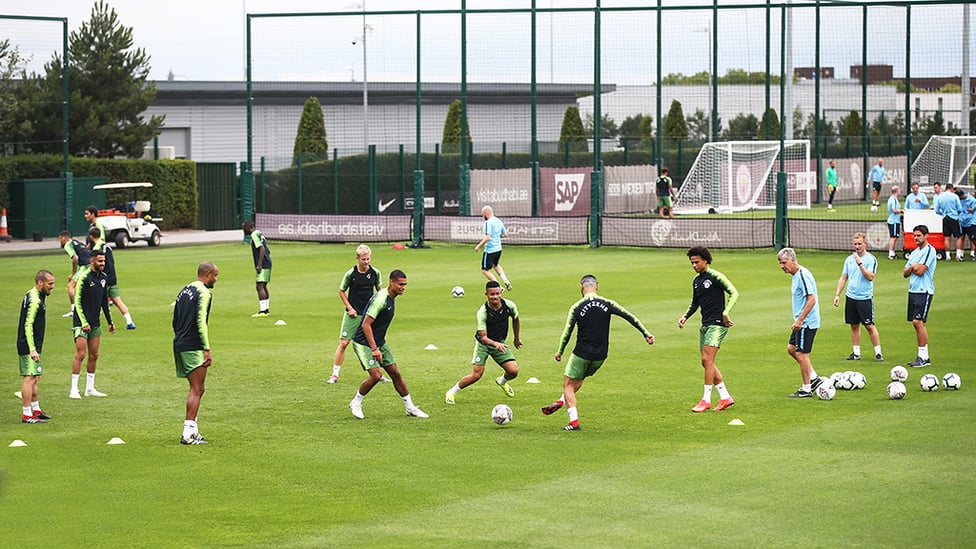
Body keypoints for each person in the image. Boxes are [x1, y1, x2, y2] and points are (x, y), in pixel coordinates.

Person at [543, 274, 655, 430]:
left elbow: (567, 331)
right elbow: (630, 317)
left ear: (582, 287)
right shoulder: (608, 303)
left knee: (568, 384)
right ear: (597, 287)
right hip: (600, 356)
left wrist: (559, 351)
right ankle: (562, 401)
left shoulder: (577, 306)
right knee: (580, 377)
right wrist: (646, 334)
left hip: (581, 353)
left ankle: (573, 422)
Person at [348, 270, 428, 419]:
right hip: (364, 342)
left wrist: (378, 346)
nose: (403, 287)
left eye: (405, 285)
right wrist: (374, 349)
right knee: (376, 375)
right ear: (391, 282)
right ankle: (356, 402)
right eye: (400, 284)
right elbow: (366, 324)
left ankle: (410, 407)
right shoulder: (381, 299)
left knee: (395, 373)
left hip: (379, 342)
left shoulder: (391, 297)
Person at [678, 246, 739, 413]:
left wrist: (726, 312)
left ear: (705, 260)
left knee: (708, 360)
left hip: (717, 324)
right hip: (705, 325)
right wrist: (685, 316)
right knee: (705, 361)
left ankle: (706, 400)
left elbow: (734, 293)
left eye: (696, 262)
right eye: (691, 263)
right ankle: (725, 397)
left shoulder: (716, 276)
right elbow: (695, 303)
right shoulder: (697, 281)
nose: (694, 265)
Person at [446, 280, 522, 404]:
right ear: (486, 295)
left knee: (513, 371)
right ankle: (451, 392)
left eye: (497, 293)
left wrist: (516, 338)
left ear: (501, 293)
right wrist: (496, 344)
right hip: (484, 344)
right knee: (476, 375)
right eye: (492, 294)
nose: (495, 297)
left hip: (500, 343)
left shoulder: (509, 305)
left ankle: (502, 381)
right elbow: (483, 337)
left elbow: (516, 319)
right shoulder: (483, 312)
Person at [172, 261, 219, 445]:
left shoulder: (185, 290)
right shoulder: (204, 293)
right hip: (193, 344)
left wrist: (179, 337)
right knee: (196, 389)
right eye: (215, 276)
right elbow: (201, 322)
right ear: (207, 274)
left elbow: (175, 319)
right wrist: (206, 348)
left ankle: (193, 431)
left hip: (180, 342)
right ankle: (188, 433)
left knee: (198, 388)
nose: (215, 280)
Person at [330, 244, 390, 384]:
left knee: (374, 344)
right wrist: (350, 308)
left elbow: (380, 292)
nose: (366, 262)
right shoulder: (351, 274)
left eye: (368, 259)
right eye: (363, 259)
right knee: (344, 343)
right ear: (357, 258)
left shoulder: (375, 273)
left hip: (369, 315)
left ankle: (378, 374)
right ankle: (334, 374)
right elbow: (341, 291)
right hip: (353, 315)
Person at [777, 248, 824, 398]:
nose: (782, 266)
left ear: (793, 260)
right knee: (791, 349)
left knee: (802, 354)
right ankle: (814, 378)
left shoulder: (802, 275)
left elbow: (812, 299)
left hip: (806, 322)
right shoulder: (796, 275)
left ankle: (806, 389)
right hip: (802, 322)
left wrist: (800, 320)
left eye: (784, 262)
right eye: (780, 263)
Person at [70, 249, 115, 399]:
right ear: (92, 261)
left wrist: (110, 322)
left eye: (104, 261)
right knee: (81, 354)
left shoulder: (103, 277)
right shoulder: (84, 277)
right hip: (81, 322)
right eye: (100, 261)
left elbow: (104, 301)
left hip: (95, 323)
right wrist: (83, 322)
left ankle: (90, 388)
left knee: (94, 355)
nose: (103, 263)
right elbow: (77, 301)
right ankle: (74, 389)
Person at [833, 233, 884, 362]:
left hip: (864, 298)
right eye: (855, 244)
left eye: (859, 244)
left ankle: (878, 352)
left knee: (869, 325)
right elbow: (844, 277)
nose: (857, 246)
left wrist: (860, 263)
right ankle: (856, 353)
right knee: (854, 325)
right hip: (851, 297)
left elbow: (870, 277)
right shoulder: (849, 259)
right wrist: (837, 294)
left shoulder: (870, 259)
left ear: (865, 243)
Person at [18, 270, 55, 424]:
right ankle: (27, 414)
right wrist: (32, 348)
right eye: (50, 283)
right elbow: (28, 324)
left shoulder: (35, 294)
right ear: (40, 283)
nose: (52, 287)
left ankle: (36, 409)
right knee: (29, 378)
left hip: (34, 344)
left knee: (36, 377)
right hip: (28, 344)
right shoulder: (35, 300)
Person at [88, 227, 136, 330]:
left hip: (103, 278)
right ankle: (130, 322)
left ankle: (91, 323)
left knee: (96, 301)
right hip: (112, 277)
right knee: (118, 301)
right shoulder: (108, 246)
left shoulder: (97, 248)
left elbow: (96, 264)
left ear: (91, 237)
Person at [903, 225, 937, 368]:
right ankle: (924, 357)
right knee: (915, 323)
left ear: (926, 236)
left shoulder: (930, 250)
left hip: (924, 291)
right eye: (914, 235)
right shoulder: (914, 252)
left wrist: (914, 267)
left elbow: (921, 270)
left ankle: (922, 356)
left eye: (918, 235)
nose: (916, 238)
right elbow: (905, 273)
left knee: (918, 322)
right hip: (913, 291)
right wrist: (913, 266)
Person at [474, 205, 512, 291]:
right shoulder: (498, 220)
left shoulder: (488, 223)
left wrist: (478, 246)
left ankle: (498, 286)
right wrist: (497, 237)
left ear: (486, 214)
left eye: (482, 215)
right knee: (496, 265)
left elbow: (488, 237)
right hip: (498, 249)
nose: (483, 217)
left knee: (485, 270)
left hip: (490, 250)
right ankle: (506, 281)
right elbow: (505, 234)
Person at [242, 220, 272, 316]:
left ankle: (263, 311)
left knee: (259, 286)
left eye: (244, 228)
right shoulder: (259, 233)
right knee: (263, 286)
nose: (243, 230)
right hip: (267, 262)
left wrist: (259, 264)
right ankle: (266, 309)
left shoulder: (254, 235)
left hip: (263, 264)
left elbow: (262, 249)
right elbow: (267, 249)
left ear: (248, 227)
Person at [59, 230, 91, 317]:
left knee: (71, 286)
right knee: (86, 287)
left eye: (60, 239)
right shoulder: (77, 242)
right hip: (92, 265)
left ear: (63, 238)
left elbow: (75, 258)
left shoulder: (68, 245)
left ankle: (74, 310)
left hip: (85, 267)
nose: (60, 241)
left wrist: (73, 273)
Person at [933, 182, 962, 261]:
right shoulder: (955, 196)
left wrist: (942, 214)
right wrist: (956, 213)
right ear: (952, 188)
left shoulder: (940, 197)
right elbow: (959, 209)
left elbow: (936, 210)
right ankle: (958, 255)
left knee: (947, 237)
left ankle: (948, 256)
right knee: (959, 237)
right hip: (954, 217)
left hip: (945, 218)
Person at [956, 188, 976, 261]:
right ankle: (960, 254)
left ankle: (972, 254)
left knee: (972, 238)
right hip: (961, 221)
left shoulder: (972, 199)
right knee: (961, 237)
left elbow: (973, 209)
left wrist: (972, 210)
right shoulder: (959, 200)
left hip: (970, 221)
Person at [886, 186, 903, 260]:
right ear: (897, 191)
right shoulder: (893, 199)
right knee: (893, 237)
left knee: (894, 237)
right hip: (894, 221)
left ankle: (892, 252)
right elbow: (894, 210)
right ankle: (891, 253)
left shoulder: (892, 199)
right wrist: (901, 211)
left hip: (893, 220)